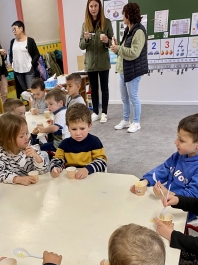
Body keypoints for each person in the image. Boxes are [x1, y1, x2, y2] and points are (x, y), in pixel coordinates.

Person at [130, 113, 198, 220]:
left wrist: (168, 193)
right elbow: (163, 169)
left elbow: (194, 198)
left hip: (185, 210)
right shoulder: (179, 155)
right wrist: (145, 181)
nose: (176, 142)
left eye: (182, 140)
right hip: (167, 200)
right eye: (177, 137)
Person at [111, 3, 148, 133]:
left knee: (133, 97)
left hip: (133, 71)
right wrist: (116, 48)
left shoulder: (139, 31)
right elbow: (124, 51)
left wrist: (119, 48)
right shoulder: (128, 30)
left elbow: (134, 53)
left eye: (123, 13)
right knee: (124, 98)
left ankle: (136, 122)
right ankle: (126, 120)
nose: (122, 16)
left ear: (129, 15)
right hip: (123, 70)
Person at [50, 104, 107, 179]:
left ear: (89, 126)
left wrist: (87, 169)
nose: (78, 133)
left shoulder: (94, 142)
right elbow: (57, 159)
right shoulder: (64, 144)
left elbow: (102, 162)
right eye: (74, 129)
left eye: (82, 128)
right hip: (72, 180)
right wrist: (55, 168)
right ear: (68, 127)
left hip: (90, 178)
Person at [79, 0, 113, 123]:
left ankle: (104, 112)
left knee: (104, 88)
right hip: (90, 63)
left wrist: (106, 41)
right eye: (91, 6)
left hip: (103, 62)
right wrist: (86, 39)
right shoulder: (85, 25)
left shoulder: (107, 23)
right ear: (88, 8)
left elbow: (113, 42)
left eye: (96, 6)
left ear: (100, 7)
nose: (93, 8)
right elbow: (81, 45)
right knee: (93, 88)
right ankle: (95, 112)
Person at [0, 113, 49, 185]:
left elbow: (43, 172)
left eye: (26, 133)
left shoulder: (31, 149)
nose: (26, 138)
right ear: (8, 139)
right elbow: (1, 174)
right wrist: (18, 179)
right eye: (21, 136)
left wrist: (37, 157)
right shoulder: (0, 154)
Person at [9, 21, 40, 94]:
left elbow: (37, 54)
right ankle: (29, 103)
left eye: (14, 29)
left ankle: (33, 104)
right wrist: (12, 62)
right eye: (12, 30)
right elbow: (11, 54)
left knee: (31, 89)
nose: (13, 32)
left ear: (21, 28)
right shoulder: (13, 41)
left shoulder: (30, 40)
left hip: (28, 69)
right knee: (24, 90)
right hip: (17, 70)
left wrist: (31, 64)